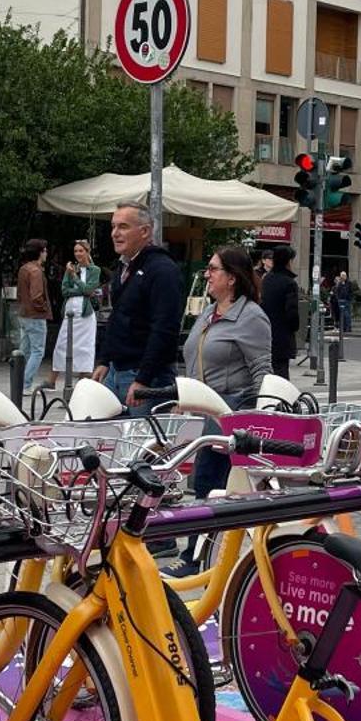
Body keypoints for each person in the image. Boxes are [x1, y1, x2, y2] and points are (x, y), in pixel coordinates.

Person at [182, 245, 273, 506]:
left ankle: (202, 546)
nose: (207, 274)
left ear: (231, 278)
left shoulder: (251, 317)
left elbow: (262, 372)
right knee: (205, 486)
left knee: (210, 487)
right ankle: (201, 545)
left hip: (229, 418)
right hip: (203, 416)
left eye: (213, 269)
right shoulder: (209, 313)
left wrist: (258, 420)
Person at [97, 204, 183, 409]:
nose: (115, 233)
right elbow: (117, 317)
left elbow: (165, 328)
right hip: (116, 371)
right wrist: (104, 360)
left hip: (145, 378)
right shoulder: (124, 266)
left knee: (142, 439)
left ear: (144, 231)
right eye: (113, 226)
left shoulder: (163, 270)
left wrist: (143, 379)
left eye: (123, 227)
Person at [51, 239, 101, 384]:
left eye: (81, 251)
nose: (78, 253)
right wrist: (81, 289)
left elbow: (89, 289)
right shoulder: (71, 268)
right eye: (76, 251)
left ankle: (83, 380)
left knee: (85, 346)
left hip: (85, 315)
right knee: (62, 344)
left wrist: (75, 278)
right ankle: (52, 379)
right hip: (70, 312)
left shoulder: (95, 270)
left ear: (87, 252)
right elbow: (65, 291)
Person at [260, 245, 300, 378]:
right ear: (288, 262)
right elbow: (292, 312)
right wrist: (295, 326)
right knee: (281, 373)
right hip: (282, 336)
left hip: (265, 334)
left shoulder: (266, 280)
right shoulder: (289, 283)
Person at [15, 240, 51, 375]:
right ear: (40, 252)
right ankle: (26, 383)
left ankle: (17, 382)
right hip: (35, 315)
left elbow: (20, 293)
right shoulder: (36, 271)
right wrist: (44, 308)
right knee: (37, 352)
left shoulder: (23, 268)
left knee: (24, 351)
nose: (46, 253)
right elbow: (36, 296)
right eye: (45, 250)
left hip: (23, 314)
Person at [331, 269, 355, 334]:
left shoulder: (349, 283)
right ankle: (343, 327)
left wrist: (349, 298)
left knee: (347, 315)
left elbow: (350, 291)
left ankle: (348, 328)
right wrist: (338, 298)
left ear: (346, 276)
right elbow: (337, 291)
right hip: (341, 300)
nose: (342, 277)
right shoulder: (340, 283)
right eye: (342, 276)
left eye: (344, 276)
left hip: (347, 300)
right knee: (342, 315)